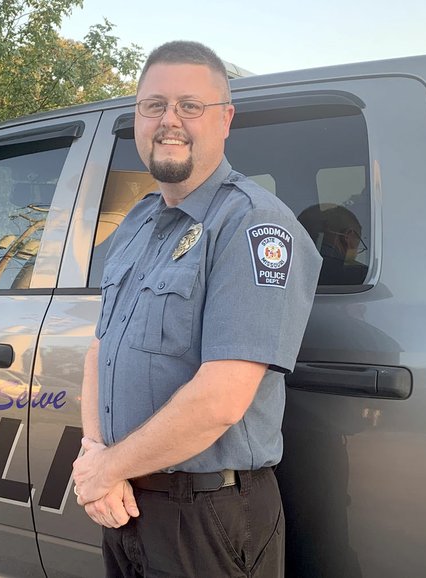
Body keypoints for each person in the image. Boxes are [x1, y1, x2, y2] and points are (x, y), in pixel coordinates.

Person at [72, 40, 322, 578]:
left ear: (226, 119)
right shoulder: (136, 225)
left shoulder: (253, 226)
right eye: (154, 105)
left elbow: (221, 400)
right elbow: (101, 349)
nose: (169, 121)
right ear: (137, 117)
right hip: (127, 502)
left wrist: (105, 468)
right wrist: (96, 455)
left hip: (206, 514)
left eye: (190, 105)